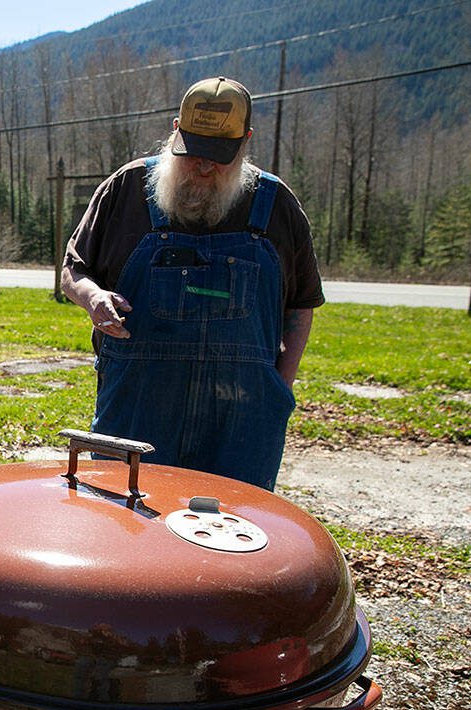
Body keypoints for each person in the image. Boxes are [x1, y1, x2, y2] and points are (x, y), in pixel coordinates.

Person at [60, 76, 322, 491]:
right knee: (123, 530)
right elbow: (73, 271)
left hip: (242, 420)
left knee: (230, 534)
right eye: (194, 151)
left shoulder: (276, 207)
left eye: (219, 156)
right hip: (138, 408)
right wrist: (92, 296)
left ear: (246, 141)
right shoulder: (127, 191)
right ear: (175, 130)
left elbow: (301, 305)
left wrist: (278, 391)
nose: (203, 166)